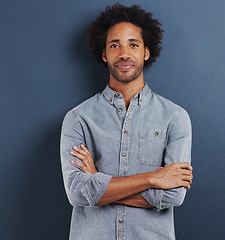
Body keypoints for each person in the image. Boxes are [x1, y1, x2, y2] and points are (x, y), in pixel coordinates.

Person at [60, 3, 193, 240]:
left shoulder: (175, 117)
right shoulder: (78, 119)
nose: (124, 53)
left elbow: (174, 196)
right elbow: (77, 193)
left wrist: (99, 186)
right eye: (115, 45)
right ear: (104, 54)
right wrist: (152, 178)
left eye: (133, 44)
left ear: (146, 52)